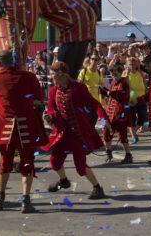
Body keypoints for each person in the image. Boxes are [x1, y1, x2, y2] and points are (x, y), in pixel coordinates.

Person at [0, 49, 47, 212]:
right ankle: (25, 201)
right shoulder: (29, 77)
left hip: (6, 127)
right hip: (26, 126)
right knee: (27, 162)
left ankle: (0, 198)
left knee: (4, 162)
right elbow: (40, 96)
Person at [42, 60, 108, 199]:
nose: (51, 76)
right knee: (55, 161)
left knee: (80, 166)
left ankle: (97, 188)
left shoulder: (79, 88)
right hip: (62, 133)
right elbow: (52, 110)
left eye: (53, 74)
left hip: (78, 133)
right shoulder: (53, 90)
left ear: (61, 74)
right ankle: (64, 181)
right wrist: (49, 117)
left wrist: (104, 119)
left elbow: (95, 104)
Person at [100, 64, 133, 164]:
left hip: (120, 114)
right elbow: (110, 96)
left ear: (120, 72)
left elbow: (122, 96)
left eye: (115, 72)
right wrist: (103, 91)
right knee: (106, 133)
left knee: (122, 135)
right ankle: (108, 153)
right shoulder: (114, 82)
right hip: (110, 113)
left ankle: (128, 155)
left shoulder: (124, 83)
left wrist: (108, 92)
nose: (113, 74)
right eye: (111, 73)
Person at [125, 58, 147, 144]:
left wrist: (146, 93)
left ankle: (133, 131)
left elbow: (145, 83)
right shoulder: (126, 73)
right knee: (132, 118)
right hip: (131, 99)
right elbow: (125, 84)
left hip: (141, 98)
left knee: (143, 117)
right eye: (130, 64)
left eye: (133, 64)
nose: (132, 66)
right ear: (127, 65)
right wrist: (127, 73)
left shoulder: (140, 72)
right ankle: (134, 136)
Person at [77, 55, 103, 126]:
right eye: (92, 59)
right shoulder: (84, 71)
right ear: (90, 60)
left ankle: (90, 135)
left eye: (96, 59)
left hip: (95, 101)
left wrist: (100, 86)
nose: (94, 61)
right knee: (88, 120)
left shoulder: (99, 73)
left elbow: (101, 84)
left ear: (98, 61)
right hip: (86, 100)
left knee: (94, 120)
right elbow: (78, 83)